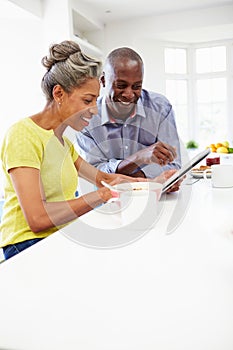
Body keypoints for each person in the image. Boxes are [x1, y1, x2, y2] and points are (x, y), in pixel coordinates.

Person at [0, 40, 150, 261]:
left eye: (95, 101)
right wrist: (101, 195)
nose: (93, 110)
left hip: (60, 236)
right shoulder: (23, 135)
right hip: (26, 245)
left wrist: (152, 184)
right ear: (59, 94)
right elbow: (37, 218)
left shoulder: (63, 143)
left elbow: (104, 179)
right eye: (87, 100)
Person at [76, 47, 181, 178]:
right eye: (121, 85)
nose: (129, 94)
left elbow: (173, 165)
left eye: (137, 87)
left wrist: (132, 178)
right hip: (106, 197)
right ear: (103, 80)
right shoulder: (86, 117)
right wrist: (139, 158)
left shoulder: (161, 108)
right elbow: (93, 172)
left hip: (156, 195)